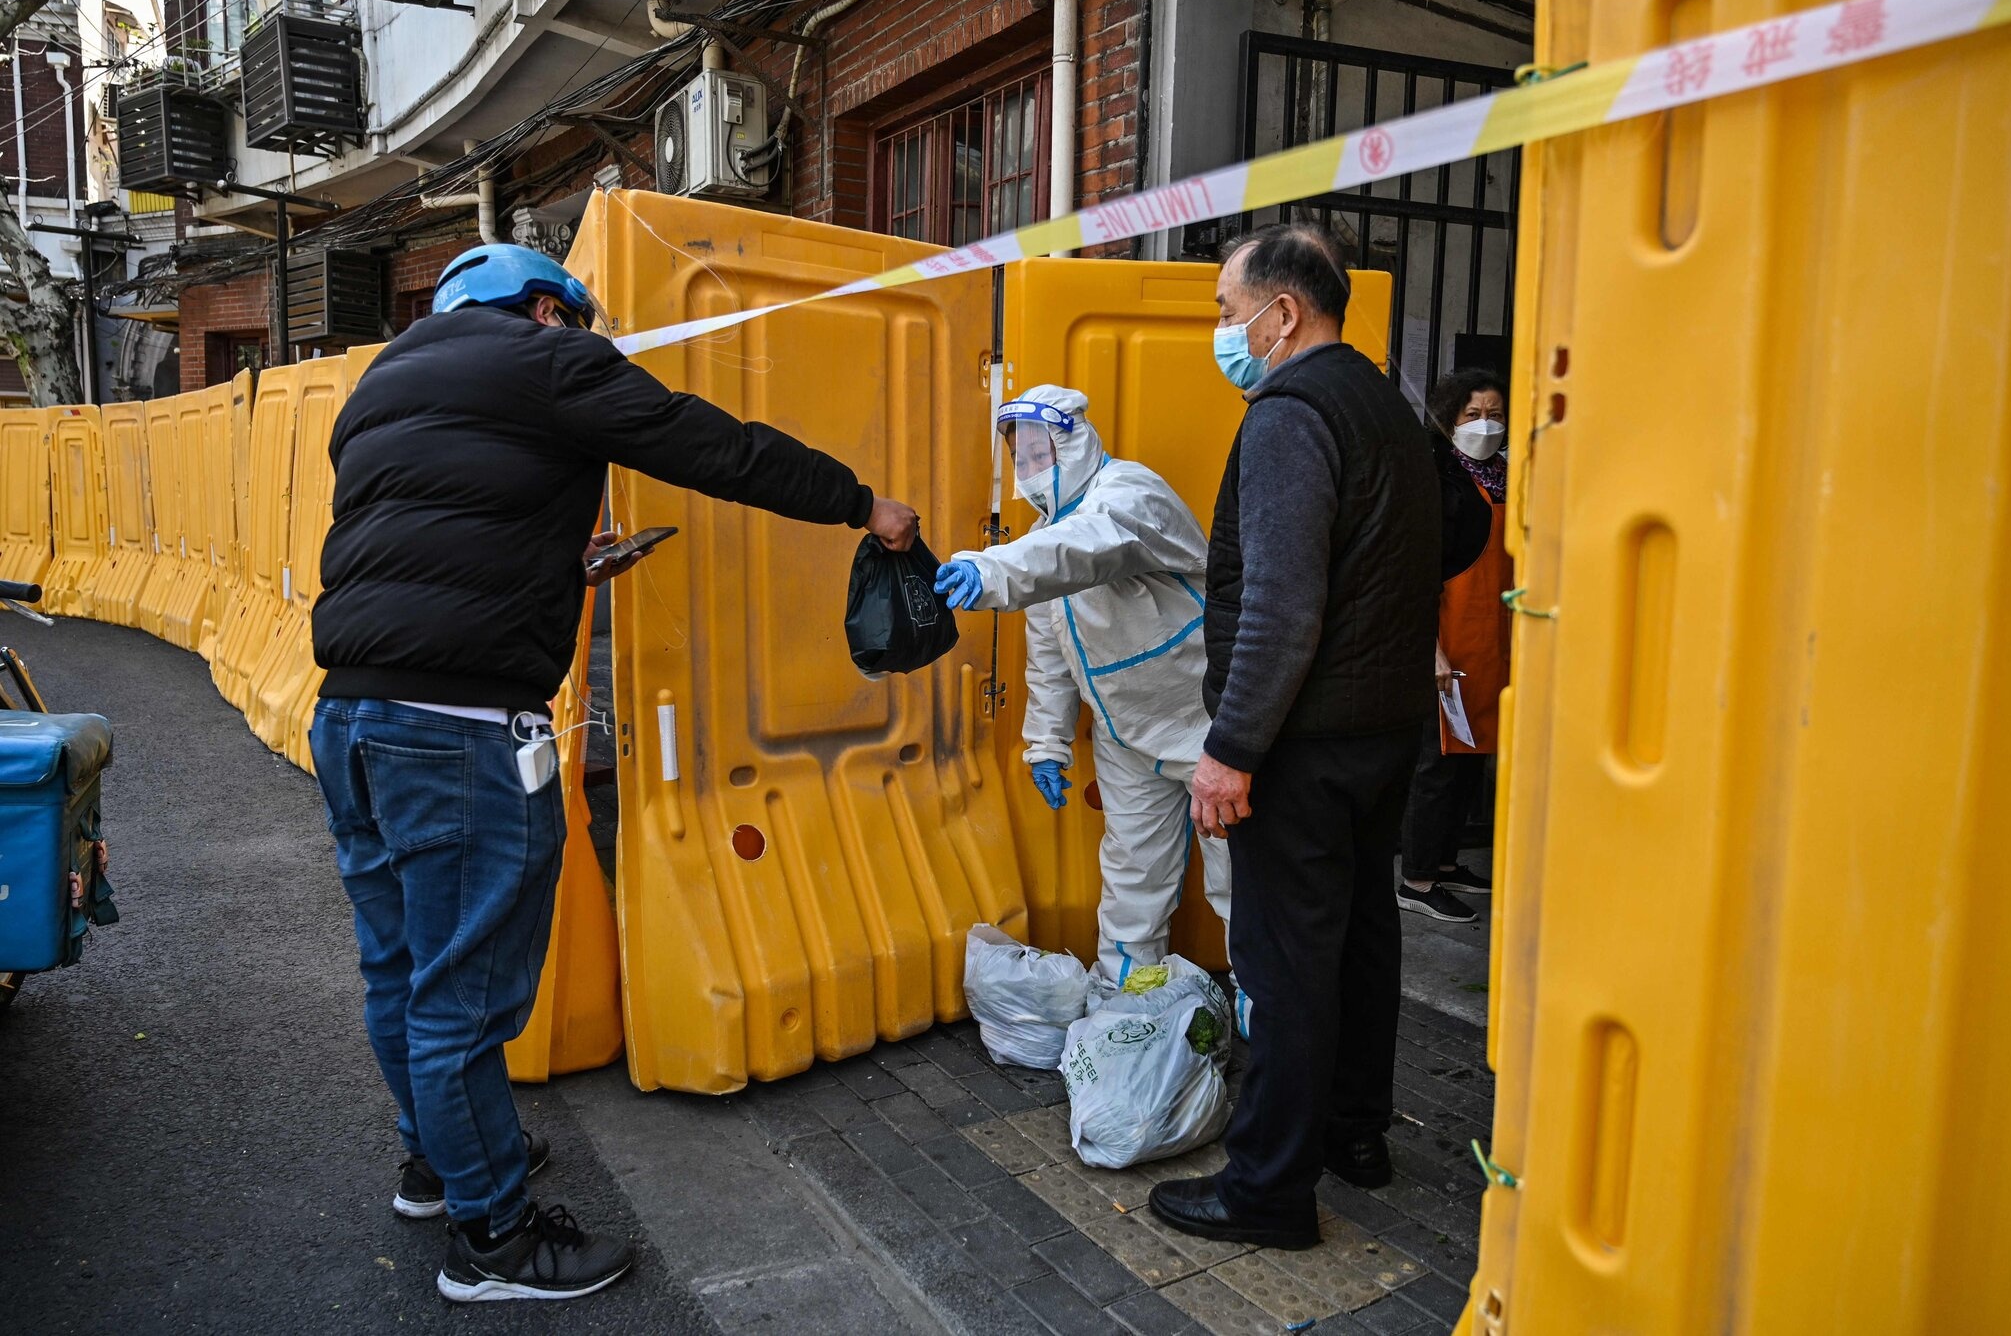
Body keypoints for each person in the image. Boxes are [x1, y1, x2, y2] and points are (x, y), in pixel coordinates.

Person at [308, 245, 919, 1302]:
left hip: (351, 714)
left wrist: (561, 565)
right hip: (454, 731)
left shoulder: (380, 386)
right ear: (546, 309)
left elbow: (439, 532)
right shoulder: (547, 361)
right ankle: (493, 1240)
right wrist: (862, 503)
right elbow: (712, 445)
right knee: (463, 997)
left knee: (399, 968)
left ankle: (437, 1163)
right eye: (578, 323)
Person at [1148, 223, 1440, 1250]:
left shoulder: (1287, 413)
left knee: (1284, 963)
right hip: (1382, 728)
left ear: (1281, 313)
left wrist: (1230, 748)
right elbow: (1461, 528)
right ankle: (1354, 1137)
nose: (1221, 333)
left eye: (1226, 312)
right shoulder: (1387, 406)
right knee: (1362, 940)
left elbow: (1277, 606)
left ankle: (1266, 1189)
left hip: (1303, 742)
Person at [931, 385, 1229, 986]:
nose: (1032, 468)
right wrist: (1046, 742)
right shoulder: (1046, 532)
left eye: (1042, 451)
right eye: (1021, 456)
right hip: (1126, 735)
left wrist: (992, 568)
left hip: (1205, 724)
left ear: (1075, 441)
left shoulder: (1129, 495)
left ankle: (1265, 1003)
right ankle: (1130, 1001)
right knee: (1133, 873)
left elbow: (1088, 550)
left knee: (1243, 877)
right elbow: (1049, 657)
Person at [1398, 369, 1511, 923]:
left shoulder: (1504, 478)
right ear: (1448, 420)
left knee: (1472, 757)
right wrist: (1430, 650)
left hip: (1491, 637)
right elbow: (1414, 571)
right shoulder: (1435, 480)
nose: (1486, 425)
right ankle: (1416, 878)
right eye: (1473, 415)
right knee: (1438, 762)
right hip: (1448, 637)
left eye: (1494, 414)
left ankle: (1444, 863)